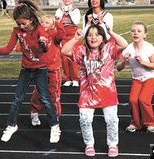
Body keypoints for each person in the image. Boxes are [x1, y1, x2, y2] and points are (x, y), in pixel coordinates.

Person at [0, 0, 60, 143]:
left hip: (40, 69)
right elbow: (8, 49)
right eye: (19, 23)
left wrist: (43, 43)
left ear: (31, 19)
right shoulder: (17, 31)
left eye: (24, 23)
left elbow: (45, 50)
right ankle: (11, 125)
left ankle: (54, 126)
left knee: (45, 98)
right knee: (17, 99)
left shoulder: (39, 29)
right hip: (26, 69)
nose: (21, 26)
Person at [61, 25, 128, 157]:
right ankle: (89, 143)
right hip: (87, 93)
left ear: (103, 38)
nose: (93, 37)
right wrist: (76, 38)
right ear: (86, 38)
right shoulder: (81, 51)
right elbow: (64, 50)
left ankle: (113, 144)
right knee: (85, 120)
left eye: (97, 34)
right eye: (90, 35)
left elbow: (124, 43)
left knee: (112, 120)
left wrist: (111, 32)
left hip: (107, 92)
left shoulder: (109, 49)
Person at [117, 21, 154, 133]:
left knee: (143, 99)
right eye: (133, 31)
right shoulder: (128, 49)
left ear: (144, 35)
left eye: (139, 31)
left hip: (151, 76)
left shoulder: (149, 47)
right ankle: (135, 124)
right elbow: (119, 68)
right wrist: (124, 60)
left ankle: (151, 124)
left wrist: (143, 62)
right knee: (133, 100)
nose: (135, 33)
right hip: (137, 78)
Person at [30, 15, 66, 126]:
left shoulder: (55, 34)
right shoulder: (38, 35)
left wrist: (59, 23)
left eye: (47, 22)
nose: (44, 24)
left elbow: (61, 35)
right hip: (41, 69)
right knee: (38, 92)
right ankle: (34, 112)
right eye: (42, 22)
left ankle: (55, 117)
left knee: (54, 93)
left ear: (52, 25)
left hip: (54, 70)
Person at [55, 0, 81, 87]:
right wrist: (62, 12)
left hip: (73, 36)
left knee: (73, 57)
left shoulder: (76, 10)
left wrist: (69, 11)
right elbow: (57, 22)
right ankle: (67, 78)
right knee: (64, 58)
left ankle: (75, 78)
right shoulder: (59, 10)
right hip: (63, 35)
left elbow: (76, 21)